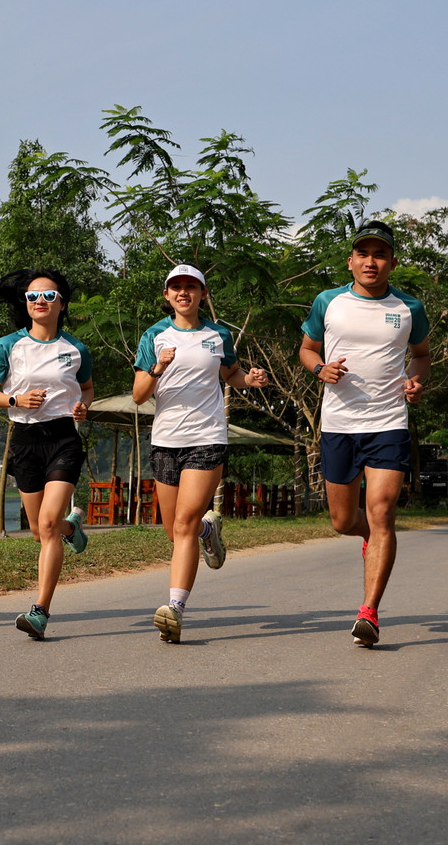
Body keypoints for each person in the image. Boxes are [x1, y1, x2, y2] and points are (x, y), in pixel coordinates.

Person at [299, 220, 430, 649]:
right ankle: (369, 541)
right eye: (363, 254)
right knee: (342, 520)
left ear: (392, 262)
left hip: (388, 422)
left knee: (383, 512)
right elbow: (306, 348)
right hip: (339, 423)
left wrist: (414, 379)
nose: (370, 261)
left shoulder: (409, 307)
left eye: (379, 254)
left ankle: (369, 612)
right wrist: (320, 369)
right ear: (351, 260)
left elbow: (422, 356)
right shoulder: (328, 301)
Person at [133, 264, 269, 643]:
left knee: (184, 525)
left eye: (191, 287)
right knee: (175, 531)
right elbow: (139, 394)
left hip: (207, 437)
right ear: (167, 295)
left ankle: (174, 608)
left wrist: (250, 380)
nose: (183, 293)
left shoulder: (218, 334)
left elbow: (231, 376)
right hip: (166, 440)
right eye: (176, 287)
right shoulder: (154, 336)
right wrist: (158, 367)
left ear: (202, 294)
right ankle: (211, 530)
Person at [0, 269, 94, 640]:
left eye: (48, 296)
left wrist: (82, 407)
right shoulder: (7, 346)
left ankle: (40, 611)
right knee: (39, 530)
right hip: (25, 440)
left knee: (46, 525)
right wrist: (16, 399)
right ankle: (71, 527)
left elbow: (87, 389)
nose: (39, 302)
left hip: (63, 438)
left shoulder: (76, 349)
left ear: (62, 303)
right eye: (32, 297)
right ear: (25, 305)